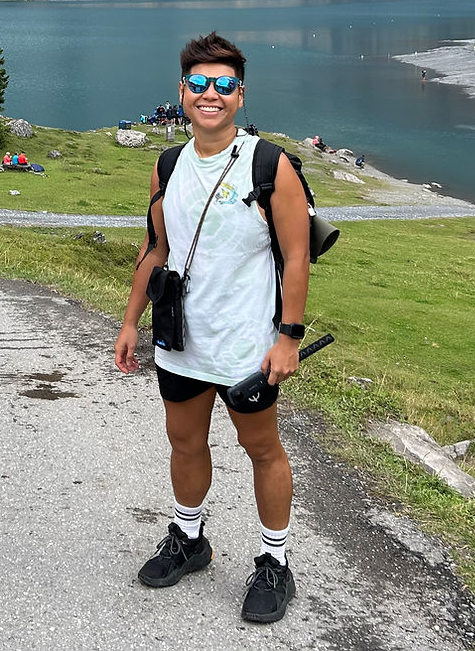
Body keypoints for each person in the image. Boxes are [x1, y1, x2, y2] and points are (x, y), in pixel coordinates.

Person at [114, 32, 311, 625]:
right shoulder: (167, 165)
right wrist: (130, 322)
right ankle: (189, 538)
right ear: (182, 92)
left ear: (240, 95)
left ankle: (275, 563)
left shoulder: (269, 165)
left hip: (248, 344)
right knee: (184, 441)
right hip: (181, 341)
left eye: (224, 85)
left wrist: (289, 337)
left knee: (261, 448)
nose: (211, 94)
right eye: (199, 84)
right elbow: (156, 249)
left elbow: (297, 257)